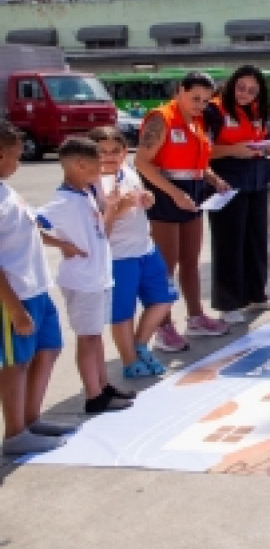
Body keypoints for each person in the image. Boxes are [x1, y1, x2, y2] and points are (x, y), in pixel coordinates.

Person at [135, 71, 231, 352]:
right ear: (180, 91)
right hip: (166, 196)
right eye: (195, 98)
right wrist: (175, 193)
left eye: (205, 100)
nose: (200, 105)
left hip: (194, 194)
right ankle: (163, 326)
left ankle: (196, 316)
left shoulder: (198, 121)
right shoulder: (161, 118)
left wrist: (214, 180)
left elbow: (198, 162)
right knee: (166, 265)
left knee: (191, 260)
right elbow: (142, 162)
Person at [37, 137, 134, 414]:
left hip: (97, 276)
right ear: (80, 165)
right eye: (96, 164)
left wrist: (111, 204)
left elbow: (99, 226)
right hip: (82, 279)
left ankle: (102, 385)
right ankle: (93, 395)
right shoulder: (64, 200)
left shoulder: (86, 192)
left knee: (95, 335)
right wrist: (61, 245)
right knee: (87, 338)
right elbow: (32, 222)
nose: (101, 168)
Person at [0, 121, 69, 455]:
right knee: (15, 363)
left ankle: (30, 419)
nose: (19, 163)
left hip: (37, 287)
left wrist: (56, 241)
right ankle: (14, 433)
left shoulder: (6, 189)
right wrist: (14, 308)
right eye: (15, 156)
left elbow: (26, 226)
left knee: (49, 349)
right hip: (14, 296)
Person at [204, 66, 270, 323]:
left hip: (257, 179)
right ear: (232, 85)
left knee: (257, 238)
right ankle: (228, 303)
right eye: (241, 88)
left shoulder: (258, 110)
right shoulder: (214, 110)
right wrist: (233, 150)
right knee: (230, 242)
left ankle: (256, 294)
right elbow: (204, 150)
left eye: (252, 90)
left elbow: (261, 139)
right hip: (227, 181)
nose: (246, 94)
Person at [89, 126, 172, 380]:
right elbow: (99, 230)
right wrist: (117, 208)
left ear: (125, 151)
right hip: (118, 257)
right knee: (122, 312)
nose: (109, 156)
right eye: (101, 152)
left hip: (145, 248)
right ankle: (129, 360)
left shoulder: (129, 171)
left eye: (115, 151)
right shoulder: (92, 185)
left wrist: (146, 198)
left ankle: (140, 344)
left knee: (163, 299)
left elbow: (140, 201)